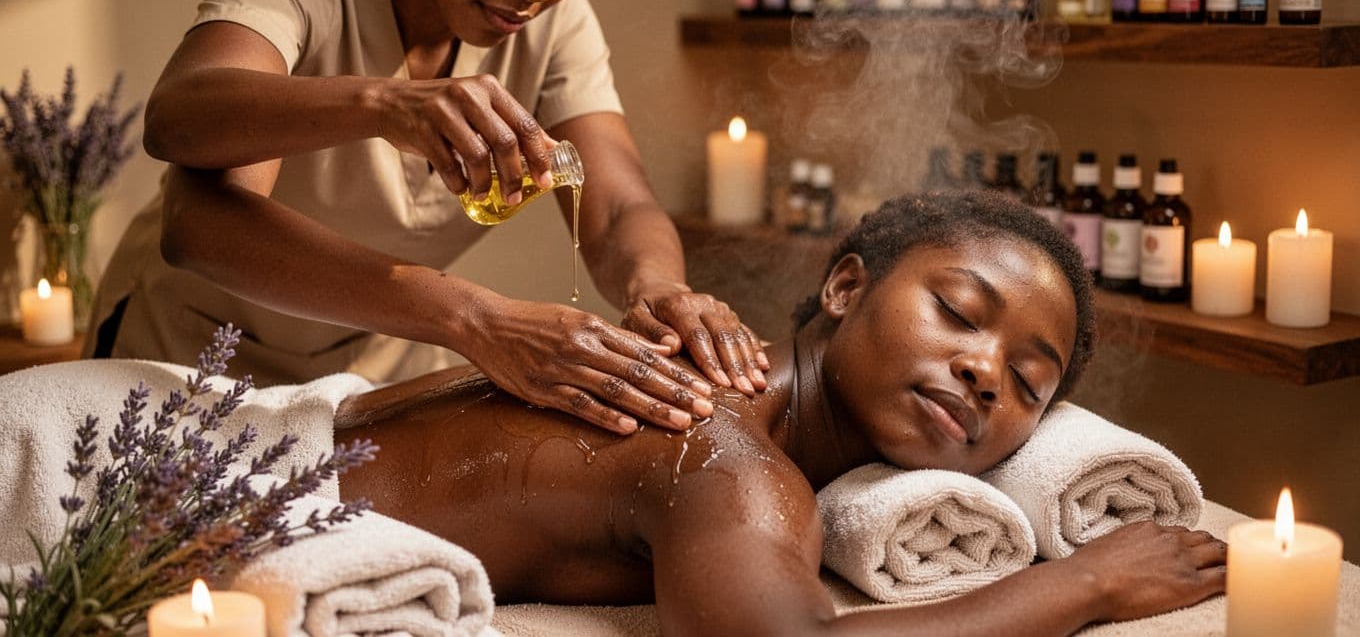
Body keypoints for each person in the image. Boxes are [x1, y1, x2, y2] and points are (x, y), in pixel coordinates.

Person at [335, 191, 1227, 635]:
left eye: (1029, 384)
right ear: (844, 286)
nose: (984, 372)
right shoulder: (725, 458)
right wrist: (1086, 582)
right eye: (957, 313)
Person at [84, 0, 768, 435]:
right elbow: (191, 178)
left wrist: (659, 287)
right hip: (188, 364)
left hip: (370, 381)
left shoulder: (556, 18)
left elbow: (617, 206)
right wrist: (387, 107)